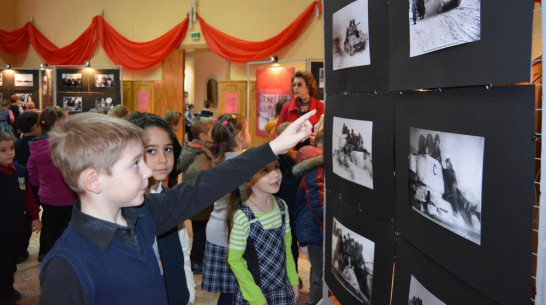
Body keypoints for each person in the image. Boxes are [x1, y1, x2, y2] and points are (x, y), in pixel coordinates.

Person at [38, 110, 315, 305]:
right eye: (135, 163)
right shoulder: (66, 266)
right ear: (94, 180)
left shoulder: (144, 213)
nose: (148, 169)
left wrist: (275, 146)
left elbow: (207, 184)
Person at [130, 113, 195, 305]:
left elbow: (183, 251)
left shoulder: (170, 199)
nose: (163, 159)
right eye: (151, 151)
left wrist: (189, 295)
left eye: (167, 149)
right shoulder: (126, 207)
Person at [227, 160, 299, 305]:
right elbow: (235, 261)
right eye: (265, 171)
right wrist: (256, 298)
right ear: (248, 180)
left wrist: (293, 279)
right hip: (256, 293)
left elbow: (287, 246)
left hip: (281, 287)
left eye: (277, 167)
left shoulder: (282, 206)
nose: (276, 175)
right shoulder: (243, 216)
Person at [201, 113, 251, 305]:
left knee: (229, 291)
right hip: (233, 234)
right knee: (238, 290)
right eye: (246, 130)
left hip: (215, 230)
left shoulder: (218, 162)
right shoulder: (243, 165)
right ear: (239, 135)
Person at [27, 107, 78, 262]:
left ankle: (45, 253)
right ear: (57, 124)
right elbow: (68, 172)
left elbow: (32, 171)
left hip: (47, 196)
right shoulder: (62, 147)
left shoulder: (36, 146)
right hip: (67, 196)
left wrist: (41, 186)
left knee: (49, 226)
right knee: (68, 228)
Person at [0, 130, 41, 305]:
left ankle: (8, 288)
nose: (10, 153)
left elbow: (28, 196)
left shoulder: (21, 171)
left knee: (10, 261)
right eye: (3, 150)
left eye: (11, 148)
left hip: (16, 225)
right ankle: (4, 294)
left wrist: (35, 216)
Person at [177, 116, 215, 274]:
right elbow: (198, 175)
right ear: (202, 136)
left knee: (200, 231)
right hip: (200, 201)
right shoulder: (200, 155)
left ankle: (197, 258)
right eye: (212, 131)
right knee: (201, 234)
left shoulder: (192, 149)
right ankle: (196, 260)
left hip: (196, 200)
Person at [293, 131, 324, 305]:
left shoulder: (310, 170)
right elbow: (318, 206)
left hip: (312, 229)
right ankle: (315, 301)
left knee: (318, 268)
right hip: (316, 230)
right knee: (319, 271)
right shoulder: (316, 172)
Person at [13, 111, 41, 263]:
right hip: (35, 185)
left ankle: (19, 249)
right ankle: (21, 248)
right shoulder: (39, 144)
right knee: (31, 216)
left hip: (20, 186)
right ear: (35, 126)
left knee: (24, 218)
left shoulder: (17, 145)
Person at [276, 71, 324, 140]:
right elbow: (278, 132)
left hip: (312, 148)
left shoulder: (320, 106)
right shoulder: (286, 107)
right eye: (293, 85)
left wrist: (317, 137)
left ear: (308, 86)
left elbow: (324, 133)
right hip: (291, 148)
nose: (295, 87)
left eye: (299, 84)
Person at [164, 110, 184, 188]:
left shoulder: (170, 135)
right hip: (170, 171)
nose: (181, 125)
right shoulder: (170, 137)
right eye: (180, 123)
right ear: (173, 124)